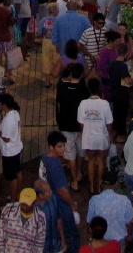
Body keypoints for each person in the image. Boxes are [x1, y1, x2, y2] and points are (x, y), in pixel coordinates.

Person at [39, 132, 81, 253]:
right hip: (61, 201)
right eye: (59, 147)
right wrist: (71, 203)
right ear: (51, 147)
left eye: (63, 146)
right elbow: (61, 190)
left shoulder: (45, 157)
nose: (63, 149)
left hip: (51, 200)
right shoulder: (55, 165)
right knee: (72, 233)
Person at [55, 63, 89, 192]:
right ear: (81, 75)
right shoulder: (84, 90)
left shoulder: (62, 87)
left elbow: (58, 104)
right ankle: (79, 172)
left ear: (70, 74)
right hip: (80, 127)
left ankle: (74, 180)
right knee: (81, 152)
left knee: (71, 154)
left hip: (65, 125)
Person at [77, 78, 113, 195]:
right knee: (101, 160)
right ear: (99, 88)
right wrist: (110, 135)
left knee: (91, 160)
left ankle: (92, 185)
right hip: (101, 137)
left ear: (89, 89)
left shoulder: (83, 103)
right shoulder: (105, 104)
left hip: (89, 137)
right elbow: (109, 122)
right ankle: (99, 183)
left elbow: (81, 123)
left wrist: (83, 132)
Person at [86, 174, 133, 251]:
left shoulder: (94, 200)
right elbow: (129, 223)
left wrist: (90, 237)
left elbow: (89, 222)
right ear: (116, 184)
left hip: (101, 242)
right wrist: (129, 236)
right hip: (119, 242)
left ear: (101, 182)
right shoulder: (124, 200)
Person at [0, 93, 24, 203]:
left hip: (9, 152)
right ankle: (18, 193)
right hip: (17, 148)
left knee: (12, 177)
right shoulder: (15, 113)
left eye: (0, 103)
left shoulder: (7, 120)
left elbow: (6, 138)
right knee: (18, 170)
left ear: (4, 105)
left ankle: (13, 200)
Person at [0, 187, 47, 253]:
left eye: (27, 204)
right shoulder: (8, 211)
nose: (24, 207)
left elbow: (39, 246)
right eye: (22, 204)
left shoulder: (40, 219)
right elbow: (0, 237)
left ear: (34, 202)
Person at [109, 43, 133, 141]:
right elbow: (127, 80)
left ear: (116, 51)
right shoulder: (123, 65)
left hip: (113, 92)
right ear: (126, 53)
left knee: (116, 113)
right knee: (122, 115)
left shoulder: (112, 63)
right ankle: (121, 135)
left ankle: (114, 132)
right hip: (122, 93)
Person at [34, 179, 67, 253]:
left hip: (56, 245)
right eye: (48, 191)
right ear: (41, 195)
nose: (51, 192)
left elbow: (59, 220)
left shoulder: (54, 199)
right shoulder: (33, 209)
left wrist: (63, 240)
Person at [39, 2, 61, 87]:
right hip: (57, 42)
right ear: (55, 11)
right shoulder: (59, 20)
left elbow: (39, 32)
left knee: (46, 59)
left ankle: (47, 81)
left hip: (46, 42)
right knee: (57, 60)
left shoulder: (43, 20)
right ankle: (58, 79)